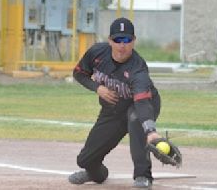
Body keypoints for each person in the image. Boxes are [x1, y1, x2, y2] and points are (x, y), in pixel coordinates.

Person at [68, 17, 164, 188]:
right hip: (113, 109)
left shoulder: (138, 68)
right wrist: (97, 88)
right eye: (117, 40)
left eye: (126, 40)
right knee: (85, 159)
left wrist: (150, 131)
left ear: (133, 41)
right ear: (110, 40)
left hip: (142, 105)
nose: (122, 45)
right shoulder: (97, 53)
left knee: (134, 119)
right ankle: (96, 174)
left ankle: (143, 176)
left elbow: (142, 103)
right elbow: (79, 73)